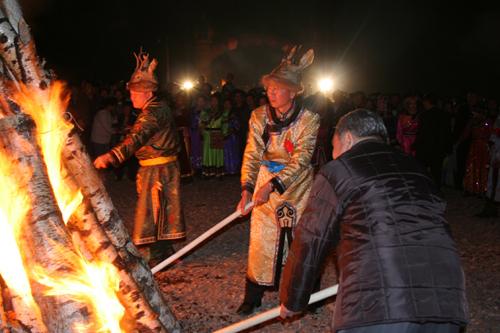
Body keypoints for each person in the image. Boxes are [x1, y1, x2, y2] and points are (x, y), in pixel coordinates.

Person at [279, 109, 468, 333]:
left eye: (333, 147)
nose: (333, 154)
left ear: (347, 139)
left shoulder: (340, 169)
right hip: (446, 299)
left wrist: (292, 298)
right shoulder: (416, 169)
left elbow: (311, 237)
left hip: (379, 302)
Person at [236, 46, 320, 315]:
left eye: (277, 88)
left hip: (297, 185)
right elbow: (251, 153)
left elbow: (302, 159)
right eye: (269, 88)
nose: (271, 93)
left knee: (298, 238)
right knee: (262, 237)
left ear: (293, 91)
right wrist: (247, 189)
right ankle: (254, 293)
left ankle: (307, 293)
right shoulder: (259, 116)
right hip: (264, 179)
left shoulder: (310, 119)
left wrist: (272, 185)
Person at [93, 51, 185, 263]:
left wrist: (111, 156)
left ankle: (159, 256)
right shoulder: (158, 107)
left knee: (153, 211)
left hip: (158, 171)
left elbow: (137, 138)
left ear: (146, 93)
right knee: (160, 209)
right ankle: (166, 250)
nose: (131, 97)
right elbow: (145, 134)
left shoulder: (151, 113)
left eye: (135, 93)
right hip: (161, 167)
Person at [414, 93, 452, 189]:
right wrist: (447, 148)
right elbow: (447, 133)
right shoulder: (444, 114)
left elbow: (421, 133)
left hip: (425, 149)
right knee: (436, 173)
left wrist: (415, 145)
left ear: (427, 102)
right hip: (439, 149)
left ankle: (424, 190)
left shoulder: (424, 115)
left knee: (422, 171)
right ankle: (437, 192)